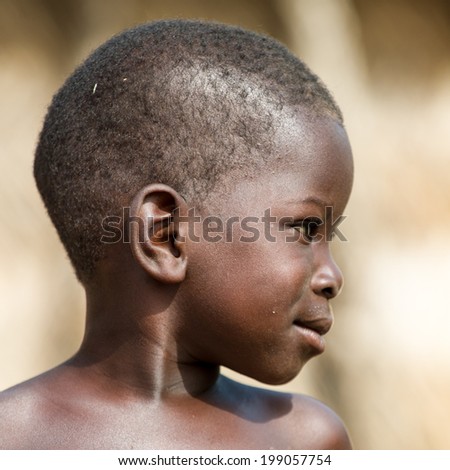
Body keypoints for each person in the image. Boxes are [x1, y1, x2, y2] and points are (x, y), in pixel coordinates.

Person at [0, 19, 354, 449]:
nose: (332, 277)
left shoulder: (307, 440)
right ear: (165, 236)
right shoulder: (14, 441)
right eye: (306, 229)